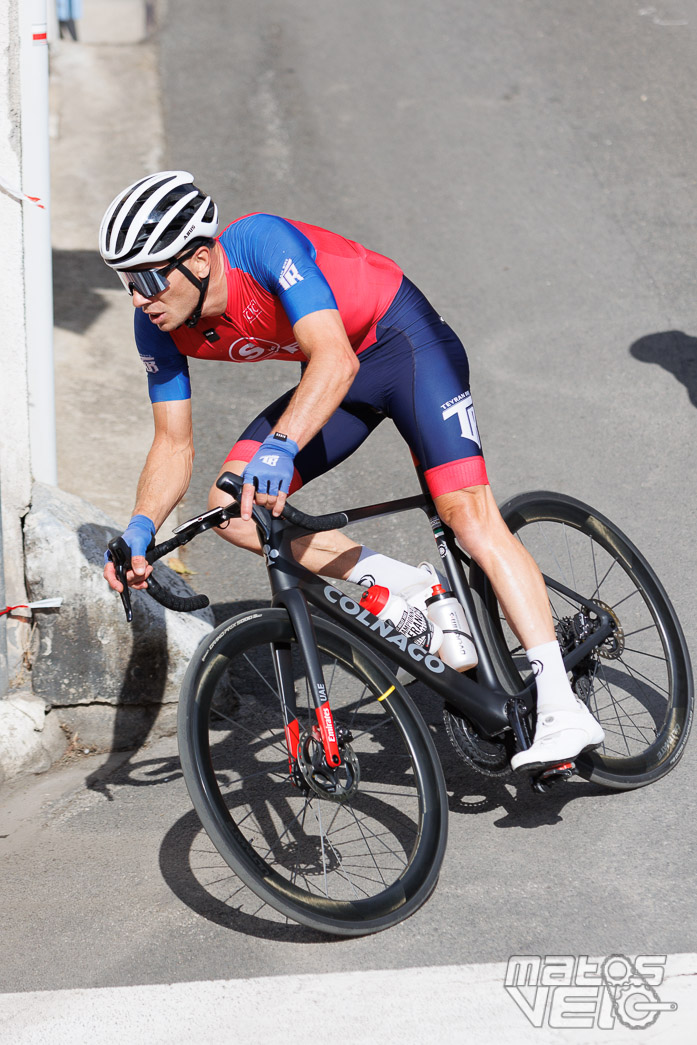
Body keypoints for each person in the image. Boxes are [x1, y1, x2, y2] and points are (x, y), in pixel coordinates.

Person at [99, 170, 604, 772]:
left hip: (402, 344)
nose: (137, 296)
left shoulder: (261, 243)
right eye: (127, 281)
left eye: (149, 277)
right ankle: (410, 591)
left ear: (201, 259)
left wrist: (282, 444)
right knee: (235, 512)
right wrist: (139, 527)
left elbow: (334, 358)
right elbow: (171, 442)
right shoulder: (155, 324)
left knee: (468, 515)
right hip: (336, 376)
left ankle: (560, 705)